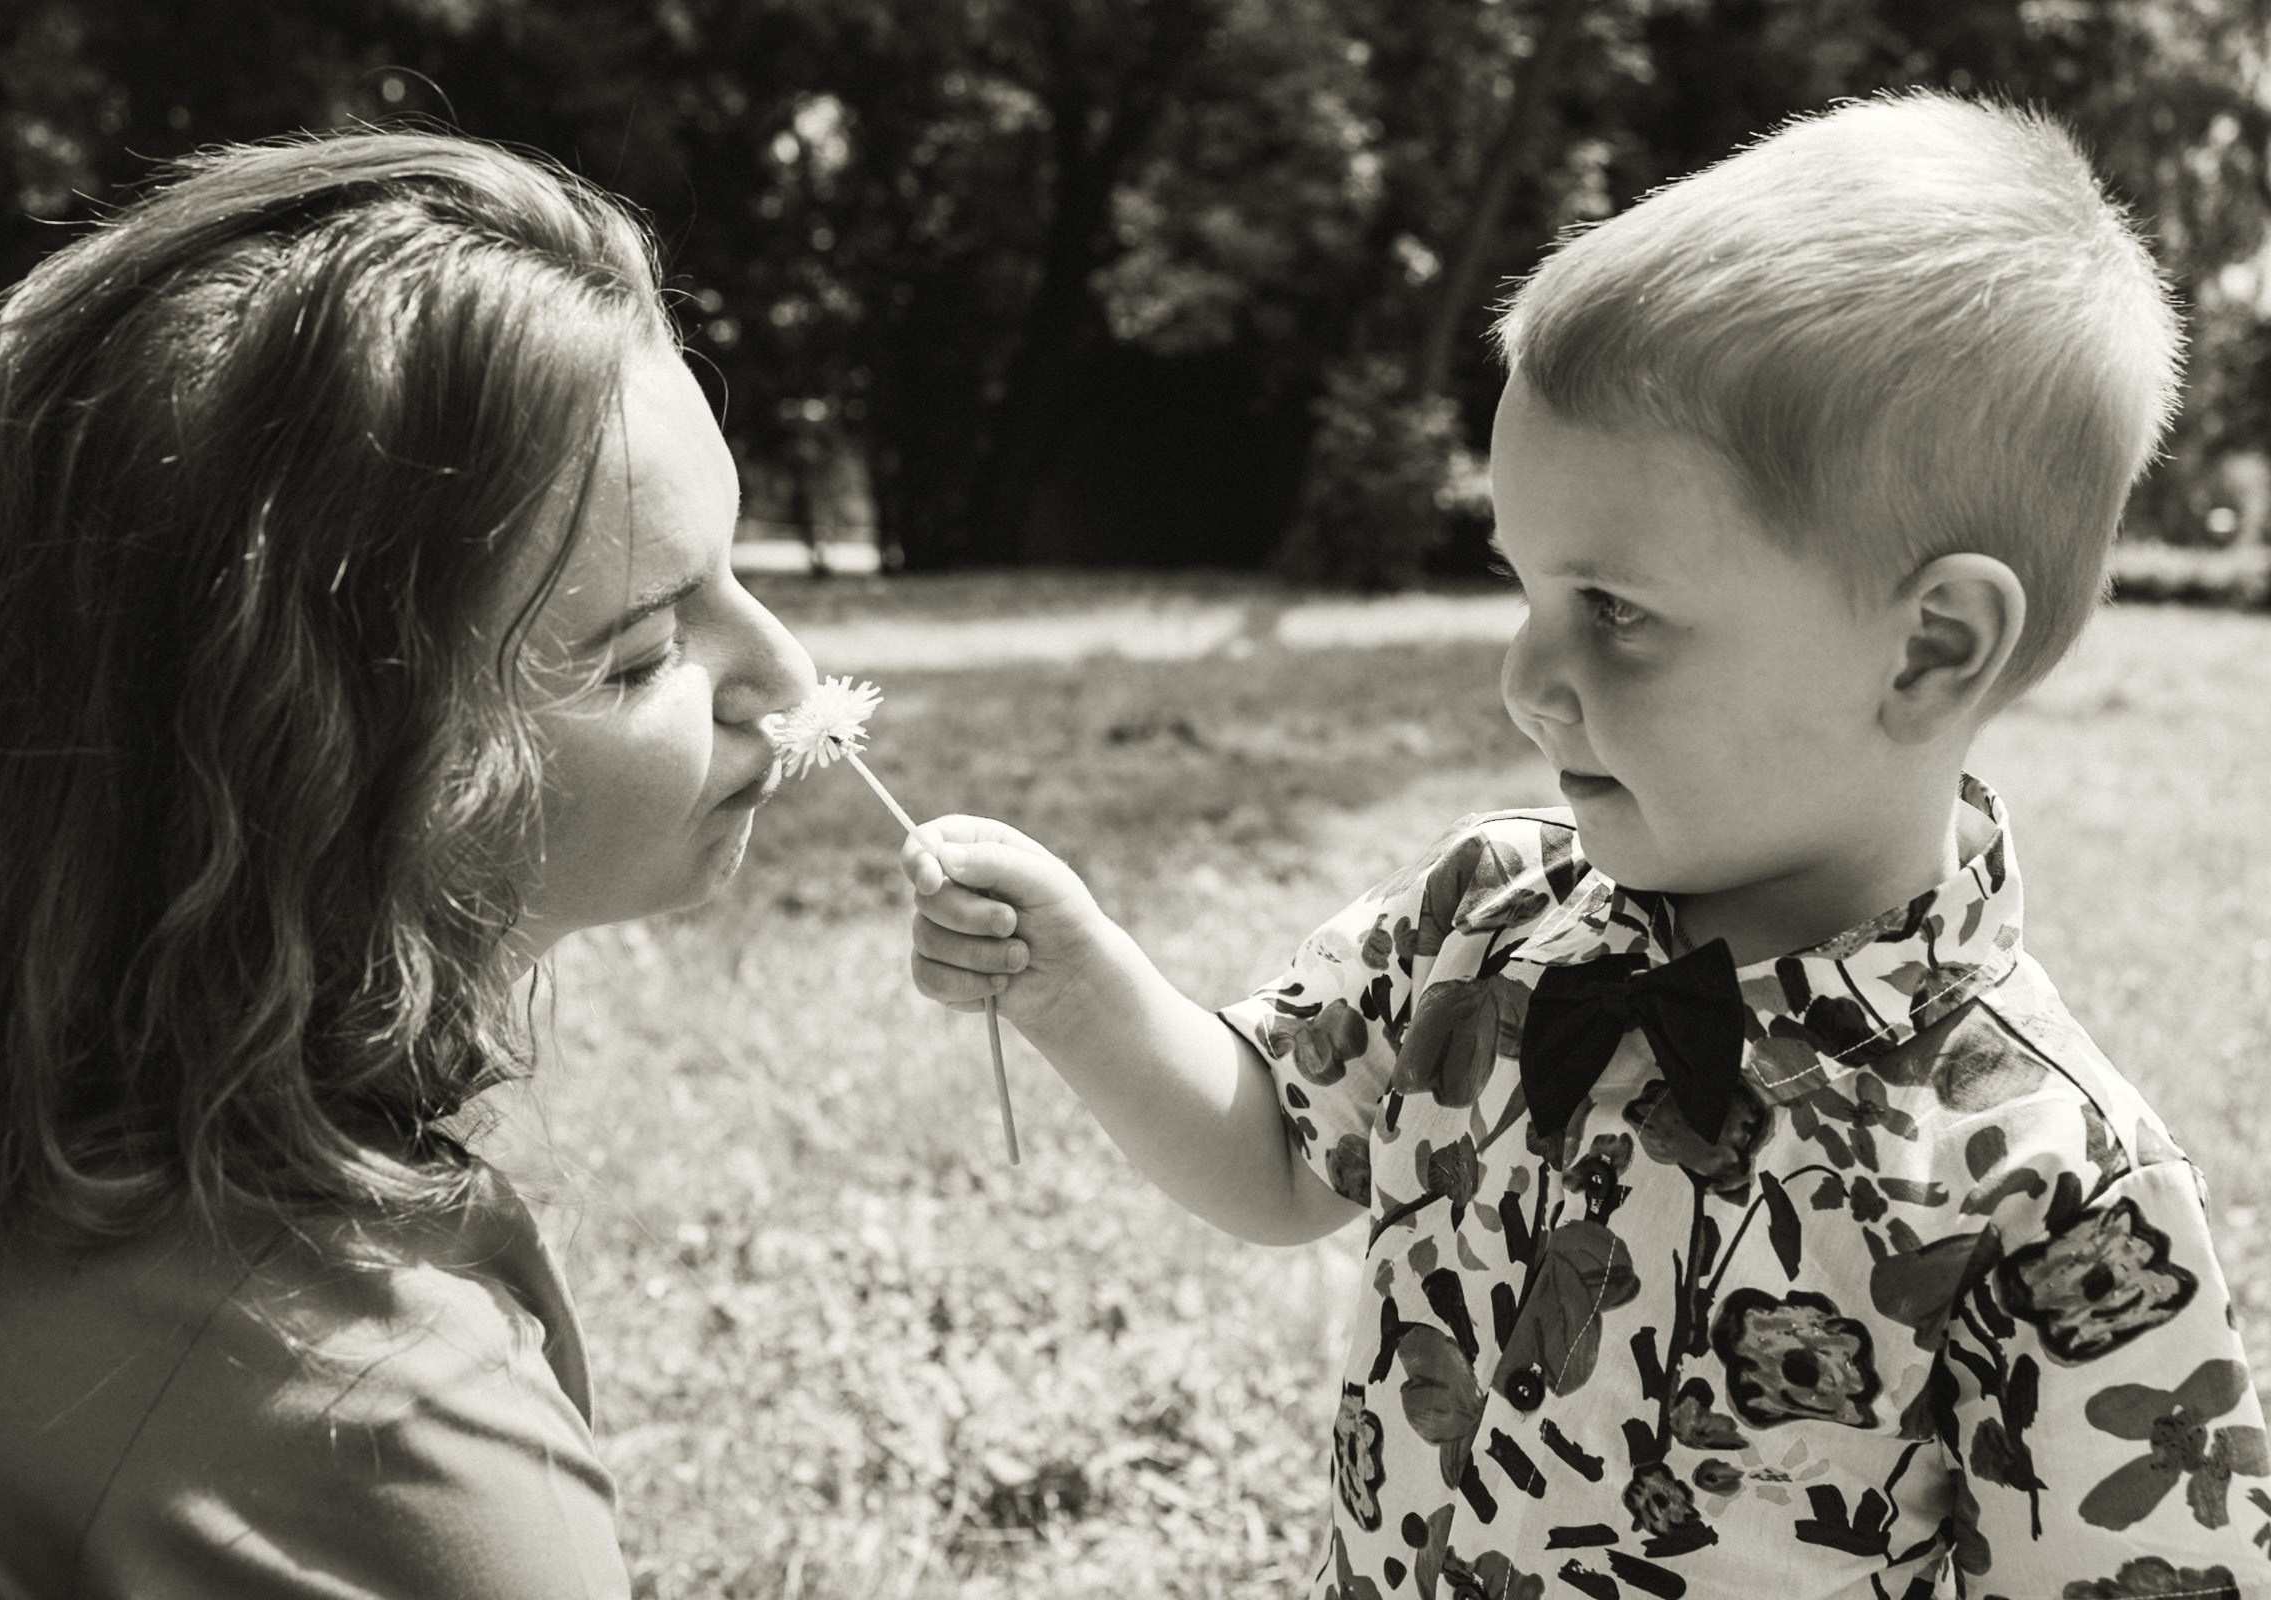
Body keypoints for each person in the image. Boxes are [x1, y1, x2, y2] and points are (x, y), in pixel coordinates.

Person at [904, 94, 2271, 1595]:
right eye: (1527, 591)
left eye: (1614, 611)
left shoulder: (2055, 1193)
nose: (1526, 679)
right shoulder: (1481, 915)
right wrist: (1083, 989)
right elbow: (1280, 1158)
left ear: (1931, 645)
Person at [0, 132, 814, 1595]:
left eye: (736, 574)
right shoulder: (365, 1425)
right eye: (641, 653)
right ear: (328, 776)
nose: (785, 678)